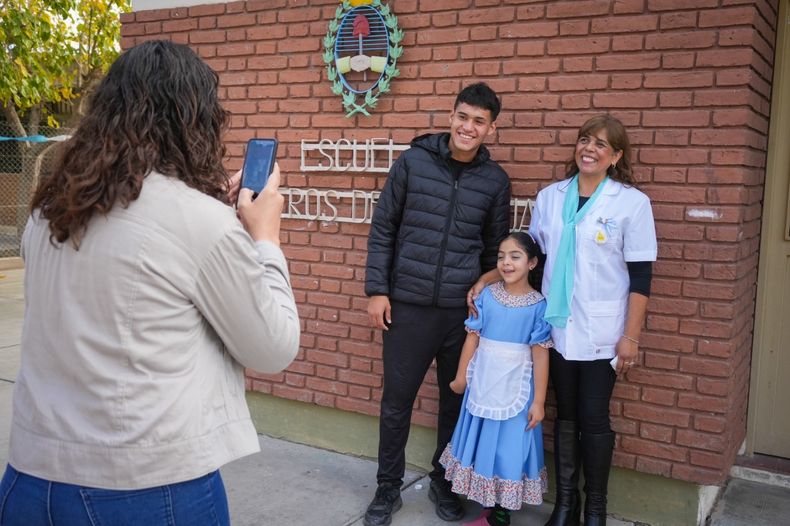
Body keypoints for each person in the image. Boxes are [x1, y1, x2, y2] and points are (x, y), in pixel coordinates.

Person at [0, 40, 300, 525]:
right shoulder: (200, 223)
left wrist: (217, 221)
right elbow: (274, 347)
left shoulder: (50, 209)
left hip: (29, 479)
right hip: (141, 489)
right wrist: (265, 238)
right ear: (194, 121)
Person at [363, 82, 512, 526]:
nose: (469, 127)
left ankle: (443, 484)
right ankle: (387, 489)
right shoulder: (412, 162)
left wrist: (486, 305)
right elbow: (383, 228)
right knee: (397, 402)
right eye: (463, 116)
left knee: (454, 404)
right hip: (406, 306)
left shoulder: (495, 181)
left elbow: (493, 254)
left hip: (459, 315)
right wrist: (377, 290)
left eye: (479, 121)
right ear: (451, 116)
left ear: (491, 128)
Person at [530, 115, 657, 526]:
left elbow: (641, 276)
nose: (590, 149)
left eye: (602, 144)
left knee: (593, 416)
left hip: (604, 329)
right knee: (564, 414)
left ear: (616, 156)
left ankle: (596, 509)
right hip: (557, 324)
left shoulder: (631, 203)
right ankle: (566, 506)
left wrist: (631, 337)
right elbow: (537, 262)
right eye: (586, 140)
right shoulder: (550, 196)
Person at [440, 232, 552, 526]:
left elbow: (540, 355)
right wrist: (461, 376)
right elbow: (472, 339)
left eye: (515, 256)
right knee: (484, 443)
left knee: (508, 448)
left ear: (532, 263)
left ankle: (501, 515)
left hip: (518, 389)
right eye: (501, 256)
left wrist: (539, 401)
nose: (506, 263)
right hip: (484, 382)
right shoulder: (487, 296)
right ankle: (487, 506)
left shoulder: (539, 306)